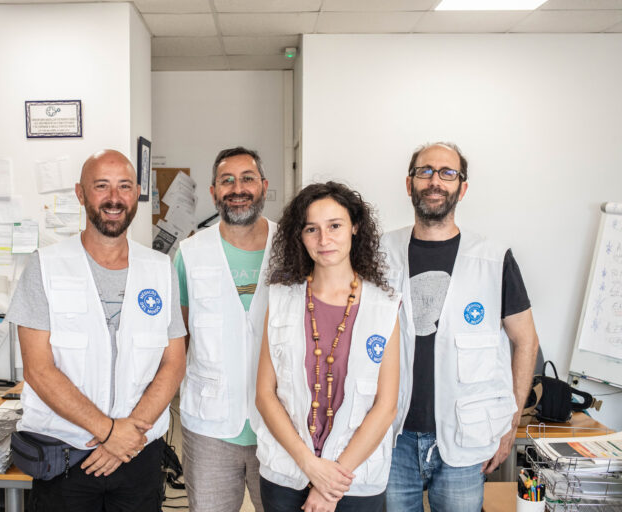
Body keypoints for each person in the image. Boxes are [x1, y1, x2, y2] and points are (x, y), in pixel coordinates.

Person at [6, 149, 186, 511]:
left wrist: (128, 434)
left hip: (139, 455)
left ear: (137, 193)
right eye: (101, 186)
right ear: (80, 193)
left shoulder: (160, 269)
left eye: (123, 186)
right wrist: (108, 432)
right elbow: (38, 370)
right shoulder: (46, 267)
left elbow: (174, 363)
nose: (114, 198)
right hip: (66, 458)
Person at [383, 142, 540, 512]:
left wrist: (511, 425)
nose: (435, 181)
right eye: (425, 171)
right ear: (409, 184)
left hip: (468, 437)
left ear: (462, 188)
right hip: (393, 437)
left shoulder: (493, 258)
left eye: (447, 173)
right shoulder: (379, 252)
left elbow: (526, 342)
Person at [255, 181, 401, 512]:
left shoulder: (384, 306)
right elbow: (265, 394)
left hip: (355, 479)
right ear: (300, 236)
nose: (324, 240)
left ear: (355, 227)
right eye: (311, 229)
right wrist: (310, 466)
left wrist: (330, 484)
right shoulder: (281, 298)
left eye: (334, 225)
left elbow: (386, 405)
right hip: (287, 474)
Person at [173, 147, 276, 512]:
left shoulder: (292, 248)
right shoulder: (189, 253)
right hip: (209, 429)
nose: (238, 188)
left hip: (280, 426)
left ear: (263, 186)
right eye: (226, 181)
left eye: (247, 178)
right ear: (214, 191)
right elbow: (177, 341)